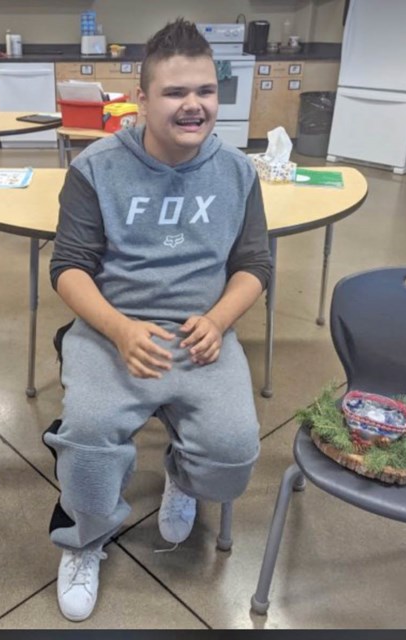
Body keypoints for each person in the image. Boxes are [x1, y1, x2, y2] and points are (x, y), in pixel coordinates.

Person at [43, 17, 272, 622]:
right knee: (88, 441)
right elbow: (68, 267)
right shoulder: (96, 168)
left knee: (230, 457)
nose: (193, 105)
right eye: (175, 92)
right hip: (111, 332)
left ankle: (182, 475)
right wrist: (119, 329)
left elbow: (254, 265)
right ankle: (84, 539)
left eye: (205, 91)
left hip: (202, 335)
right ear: (141, 99)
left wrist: (220, 320)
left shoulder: (238, 172)